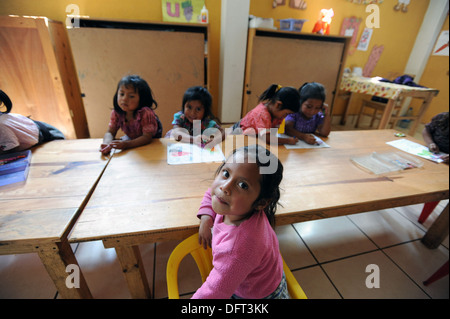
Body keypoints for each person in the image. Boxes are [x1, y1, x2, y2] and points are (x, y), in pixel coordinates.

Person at [193, 145, 289, 299]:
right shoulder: (239, 204)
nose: (225, 187)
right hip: (266, 276)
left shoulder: (238, 248)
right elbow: (211, 193)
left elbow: (213, 292)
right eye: (226, 173)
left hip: (258, 295)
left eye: (242, 185)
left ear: (261, 203)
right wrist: (206, 216)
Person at [100, 75, 162, 155]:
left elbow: (147, 137)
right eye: (122, 94)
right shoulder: (117, 113)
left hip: (151, 144)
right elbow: (110, 132)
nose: (124, 99)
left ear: (142, 99)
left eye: (131, 96)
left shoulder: (145, 113)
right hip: (132, 142)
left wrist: (127, 144)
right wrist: (107, 143)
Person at [0, 90, 64, 154]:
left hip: (50, 136)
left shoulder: (1, 125)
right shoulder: (3, 118)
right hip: (38, 132)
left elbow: (12, 147)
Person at [233, 84, 300, 145]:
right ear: (278, 105)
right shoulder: (262, 114)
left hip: (255, 137)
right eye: (286, 113)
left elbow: (271, 133)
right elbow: (266, 138)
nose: (285, 117)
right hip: (238, 135)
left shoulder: (277, 115)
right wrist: (287, 141)